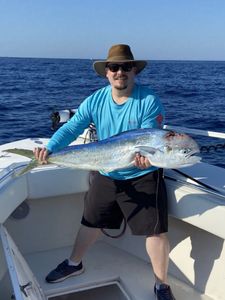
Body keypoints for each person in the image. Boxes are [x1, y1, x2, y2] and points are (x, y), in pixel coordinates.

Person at [34, 44, 176, 300]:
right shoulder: (96, 100)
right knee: (90, 221)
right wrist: (50, 149)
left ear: (134, 71)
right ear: (106, 72)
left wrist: (147, 161)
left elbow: (147, 140)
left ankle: (161, 284)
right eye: (114, 67)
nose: (119, 71)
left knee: (155, 231)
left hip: (140, 175)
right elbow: (72, 128)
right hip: (107, 170)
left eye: (125, 67)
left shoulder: (149, 100)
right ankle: (74, 263)